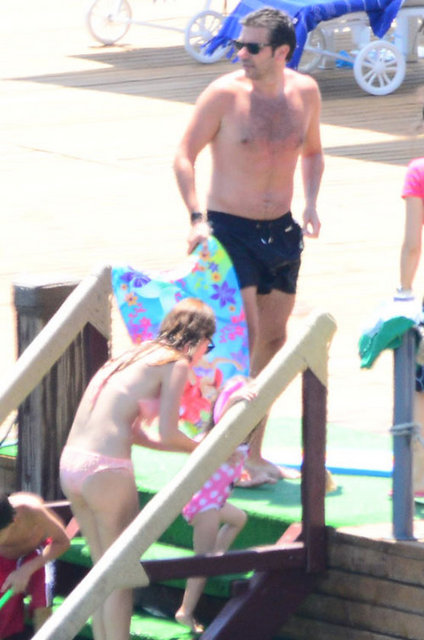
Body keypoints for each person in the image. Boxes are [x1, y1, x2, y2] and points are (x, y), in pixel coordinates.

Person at [174, 7, 324, 486]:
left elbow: (313, 152)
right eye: (239, 44)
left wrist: (311, 203)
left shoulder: (306, 92)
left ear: (282, 52)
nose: (241, 53)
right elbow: (183, 156)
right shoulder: (223, 94)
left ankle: (249, 451)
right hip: (228, 232)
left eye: (252, 47)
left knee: (274, 341)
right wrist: (196, 219)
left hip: (281, 232)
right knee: (245, 337)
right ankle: (222, 447)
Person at [59, 297, 216, 640]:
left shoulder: (133, 355)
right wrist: (208, 448)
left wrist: (196, 448)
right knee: (119, 576)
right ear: (199, 338)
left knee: (101, 573)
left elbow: (136, 434)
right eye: (209, 343)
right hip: (106, 471)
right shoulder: (175, 363)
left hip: (72, 463)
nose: (207, 351)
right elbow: (169, 433)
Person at [175, 375, 256, 633]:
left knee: (239, 519)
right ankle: (185, 610)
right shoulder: (216, 440)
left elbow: (230, 474)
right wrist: (232, 400)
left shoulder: (239, 443)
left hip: (216, 502)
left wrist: (247, 476)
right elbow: (220, 426)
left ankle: (217, 557)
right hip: (204, 506)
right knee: (201, 562)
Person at [0, 491, 70, 640]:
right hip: (3, 561)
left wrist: (26, 570)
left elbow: (63, 542)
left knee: (42, 602)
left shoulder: (31, 509)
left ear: (14, 521)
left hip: (37, 556)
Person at [397, 156, 424, 496]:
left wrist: (404, 292)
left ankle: (418, 480)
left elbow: (413, 245)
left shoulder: (419, 171)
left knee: (421, 391)